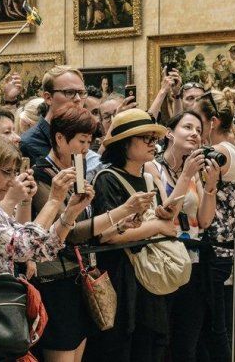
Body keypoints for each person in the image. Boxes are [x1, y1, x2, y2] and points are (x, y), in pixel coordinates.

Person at [30, 107, 152, 362]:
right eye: (81, 141)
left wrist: (121, 225)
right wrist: (122, 210)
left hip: (80, 276)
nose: (86, 149)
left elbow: (89, 230)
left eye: (89, 142)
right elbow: (69, 233)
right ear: (60, 138)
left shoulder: (79, 169)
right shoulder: (42, 174)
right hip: (55, 281)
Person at [84, 108, 181, 362]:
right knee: (121, 347)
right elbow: (107, 236)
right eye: (145, 138)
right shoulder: (107, 178)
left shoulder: (148, 178)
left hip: (149, 275)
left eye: (154, 138)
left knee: (151, 345)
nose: (152, 143)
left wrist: (162, 217)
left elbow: (163, 226)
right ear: (124, 143)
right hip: (121, 276)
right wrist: (157, 227)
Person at [0, 129, 91, 294]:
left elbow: (42, 249)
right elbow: (24, 247)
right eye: (7, 172)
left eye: (14, 173)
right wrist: (54, 201)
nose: (12, 181)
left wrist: (70, 212)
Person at [146, 111, 219, 362]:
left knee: (187, 343)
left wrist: (210, 186)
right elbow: (167, 213)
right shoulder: (152, 168)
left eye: (198, 130)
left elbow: (205, 220)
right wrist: (186, 175)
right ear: (169, 133)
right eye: (187, 127)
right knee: (162, 341)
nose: (194, 134)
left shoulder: (195, 173)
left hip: (193, 262)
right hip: (165, 261)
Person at [192, 88, 235, 360]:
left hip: (215, 248)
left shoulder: (217, 153)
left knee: (215, 329)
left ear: (212, 122)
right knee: (214, 327)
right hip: (223, 247)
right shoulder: (231, 149)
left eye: (198, 121)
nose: (194, 128)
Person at [21, 66, 87, 161]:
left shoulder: (79, 138)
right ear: (48, 98)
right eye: (69, 92)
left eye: (81, 93)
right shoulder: (27, 143)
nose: (78, 99)